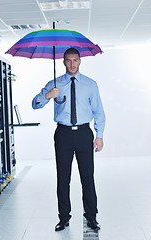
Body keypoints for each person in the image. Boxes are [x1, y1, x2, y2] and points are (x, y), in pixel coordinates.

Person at [32, 48, 105, 232]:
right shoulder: (54, 84)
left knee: (87, 177)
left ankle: (91, 217)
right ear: (63, 62)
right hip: (63, 134)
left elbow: (99, 112)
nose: (72, 64)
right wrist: (48, 95)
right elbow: (35, 104)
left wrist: (99, 135)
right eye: (68, 60)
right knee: (63, 178)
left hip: (83, 133)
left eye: (75, 60)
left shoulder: (90, 85)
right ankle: (64, 218)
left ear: (80, 61)